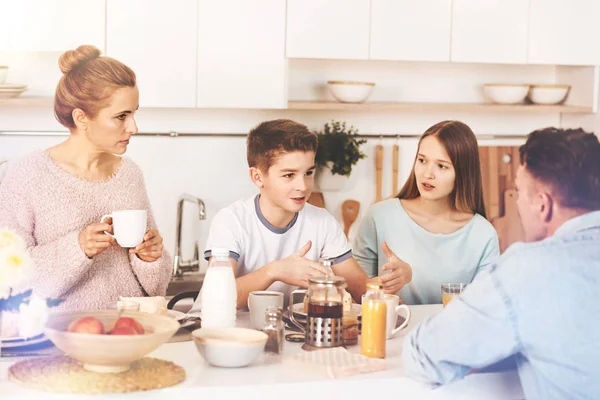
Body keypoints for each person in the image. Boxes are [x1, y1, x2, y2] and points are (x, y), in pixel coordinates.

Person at [402, 127, 600, 399]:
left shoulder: (527, 269)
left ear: (543, 205)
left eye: (519, 190)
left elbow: (423, 357)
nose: (516, 200)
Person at [0, 45, 171, 319]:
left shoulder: (129, 174)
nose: (134, 127)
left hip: (130, 331)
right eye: (121, 116)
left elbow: (156, 286)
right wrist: (77, 247)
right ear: (81, 117)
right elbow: (8, 277)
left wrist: (150, 258)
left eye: (134, 113)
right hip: (59, 338)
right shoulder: (28, 175)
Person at [192, 119, 368, 310]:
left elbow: (361, 290)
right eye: (289, 175)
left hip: (287, 334)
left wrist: (390, 284)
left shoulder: (322, 222)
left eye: (308, 173)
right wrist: (274, 271)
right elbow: (217, 298)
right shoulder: (230, 221)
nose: (303, 186)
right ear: (257, 177)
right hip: (225, 332)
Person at [353, 120, 499, 304]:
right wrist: (385, 286)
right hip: (393, 332)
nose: (427, 173)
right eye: (422, 160)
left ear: (463, 173)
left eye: (441, 166)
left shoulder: (483, 235)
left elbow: (486, 308)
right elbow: (354, 295)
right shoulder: (379, 216)